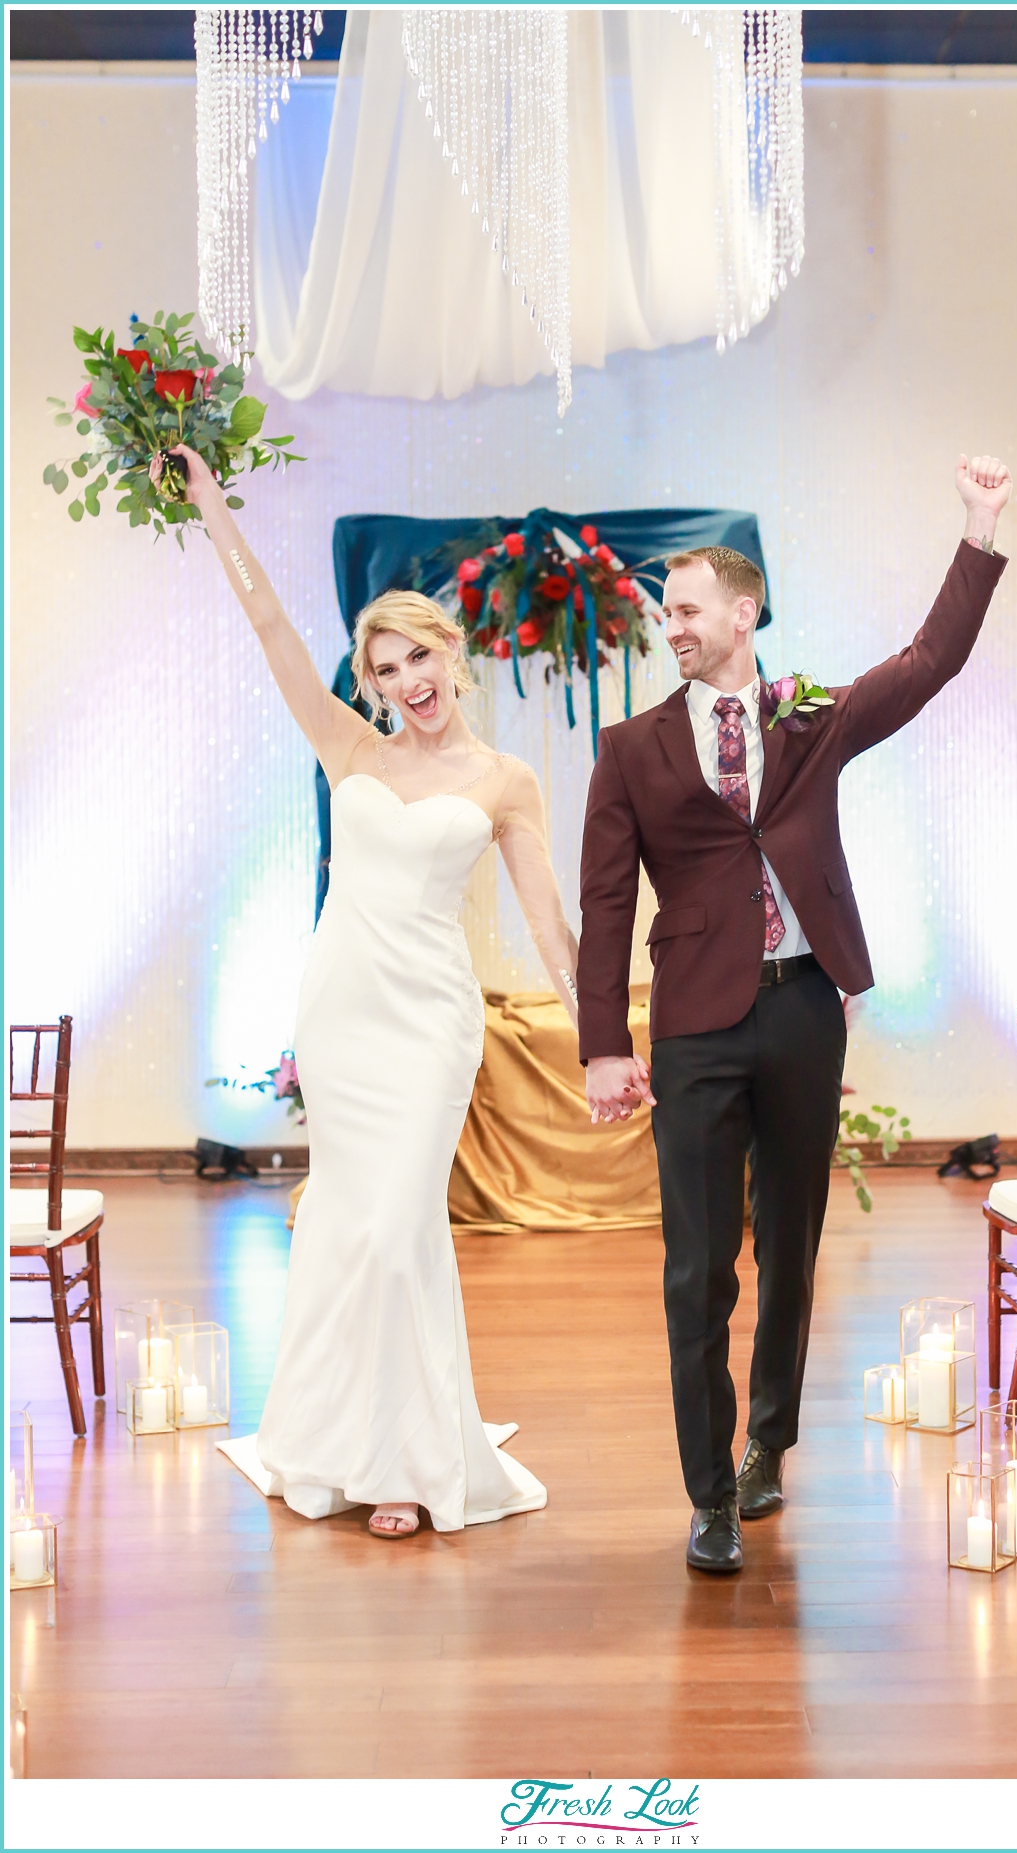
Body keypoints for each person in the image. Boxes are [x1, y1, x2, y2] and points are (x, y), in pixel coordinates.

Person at [577, 453, 1012, 1573]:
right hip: (696, 1027)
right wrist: (601, 1046)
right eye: (661, 613)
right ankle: (709, 1491)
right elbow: (606, 900)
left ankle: (769, 1442)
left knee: (793, 1247)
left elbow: (928, 662)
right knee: (695, 1266)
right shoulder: (629, 749)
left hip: (806, 1007)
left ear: (741, 609)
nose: (668, 625)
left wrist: (978, 530)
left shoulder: (809, 716)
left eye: (683, 608)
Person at [159, 445, 579, 1537]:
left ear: (452, 650)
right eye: (385, 668)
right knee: (347, 1225)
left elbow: (547, 921)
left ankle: (409, 1455)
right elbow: (272, 636)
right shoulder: (349, 744)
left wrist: (604, 1040)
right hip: (342, 1009)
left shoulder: (504, 781)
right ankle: (347, 1438)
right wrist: (212, 507)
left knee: (399, 1226)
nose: (407, 682)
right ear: (374, 681)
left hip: (433, 1020)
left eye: (418, 657)